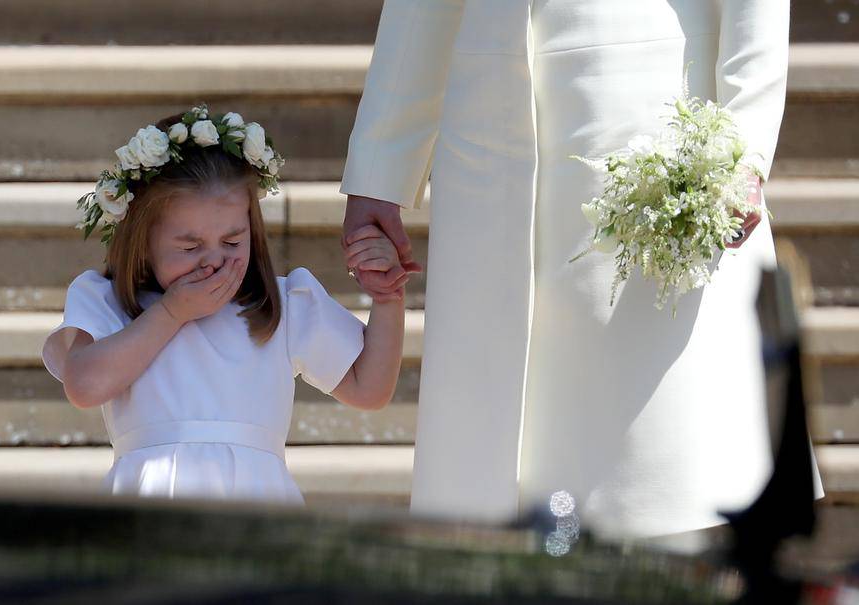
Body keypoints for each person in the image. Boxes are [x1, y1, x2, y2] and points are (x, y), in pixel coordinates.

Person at [341, 0, 818, 539]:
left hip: (652, 99)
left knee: (669, 460)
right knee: (488, 477)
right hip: (486, 117)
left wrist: (744, 145)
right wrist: (381, 168)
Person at [42, 107, 405, 504]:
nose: (213, 260)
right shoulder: (108, 300)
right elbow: (84, 385)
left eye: (232, 242)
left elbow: (369, 388)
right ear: (143, 241)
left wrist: (387, 297)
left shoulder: (284, 304)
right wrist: (171, 312)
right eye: (190, 246)